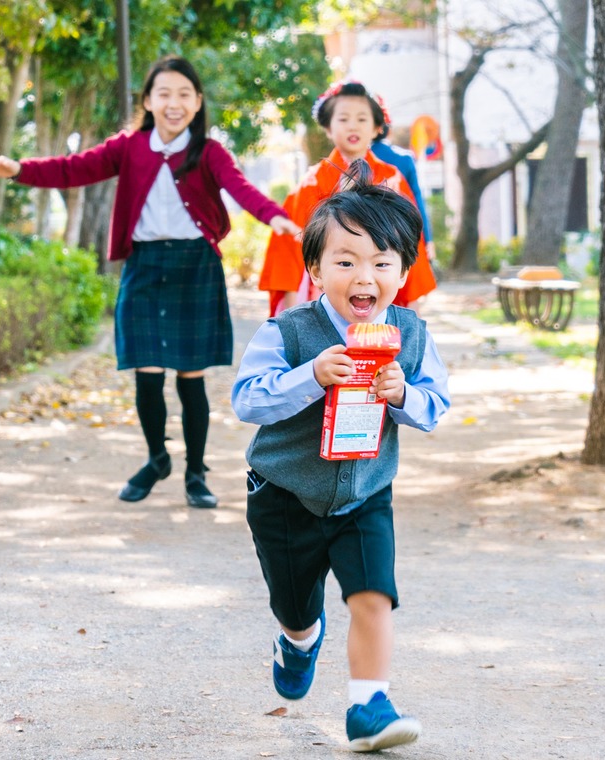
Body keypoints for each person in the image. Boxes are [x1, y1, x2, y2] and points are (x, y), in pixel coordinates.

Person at [0, 55, 301, 506]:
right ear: (149, 101)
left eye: (184, 94)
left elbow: (240, 189)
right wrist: (19, 169)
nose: (174, 103)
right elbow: (75, 169)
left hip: (195, 266)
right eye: (164, 93)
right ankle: (157, 459)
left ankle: (196, 473)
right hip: (145, 266)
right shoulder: (129, 147)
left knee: (191, 379)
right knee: (147, 376)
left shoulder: (209, 152)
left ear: (198, 102)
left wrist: (276, 218)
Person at [232, 160, 450, 752]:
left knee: (373, 594)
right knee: (296, 608)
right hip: (284, 494)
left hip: (365, 493)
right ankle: (299, 639)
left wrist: (403, 393)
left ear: (403, 271)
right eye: (346, 262)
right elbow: (246, 401)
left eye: (382, 263)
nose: (365, 276)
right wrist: (309, 375)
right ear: (315, 269)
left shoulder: (412, 336)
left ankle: (367, 706)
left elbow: (435, 404)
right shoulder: (288, 331)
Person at [259, 80, 437, 316]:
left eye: (362, 119)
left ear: (376, 128)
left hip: (379, 288)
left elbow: (409, 243)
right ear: (328, 128)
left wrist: (411, 318)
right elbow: (290, 250)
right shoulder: (312, 182)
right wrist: (294, 320)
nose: (353, 126)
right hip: (324, 296)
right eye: (343, 119)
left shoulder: (392, 179)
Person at [369, 95, 436, 265]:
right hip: (400, 232)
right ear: (388, 130)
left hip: (367, 231)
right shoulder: (405, 159)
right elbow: (417, 201)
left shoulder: (358, 159)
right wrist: (428, 239)